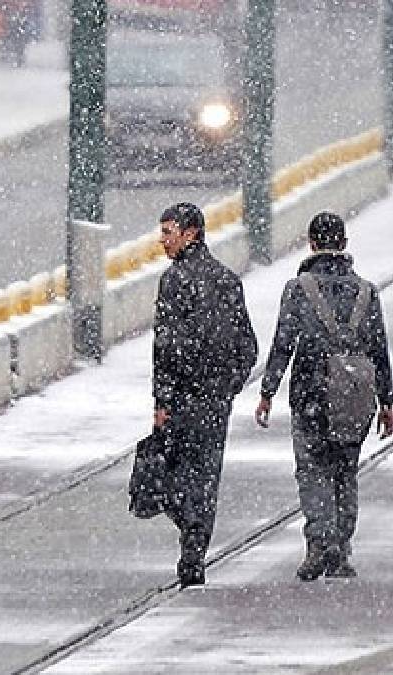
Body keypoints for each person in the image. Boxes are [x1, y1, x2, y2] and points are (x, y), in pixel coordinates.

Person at [255, 212, 393, 581]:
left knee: (312, 468)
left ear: (312, 244)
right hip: (354, 396)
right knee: (346, 469)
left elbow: (283, 342)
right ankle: (341, 547)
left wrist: (268, 391)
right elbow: (380, 350)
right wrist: (388, 402)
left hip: (310, 393)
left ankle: (319, 541)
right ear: (344, 245)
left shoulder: (299, 289)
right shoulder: (366, 290)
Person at [151, 202, 257, 588]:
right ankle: (195, 546)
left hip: (183, 399)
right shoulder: (227, 279)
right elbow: (248, 346)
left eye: (168, 232)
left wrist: (163, 401)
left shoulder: (174, 280)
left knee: (174, 475)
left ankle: (190, 534)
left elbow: (164, 346)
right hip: (213, 401)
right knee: (205, 475)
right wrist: (227, 387)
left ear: (191, 233)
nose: (163, 241)